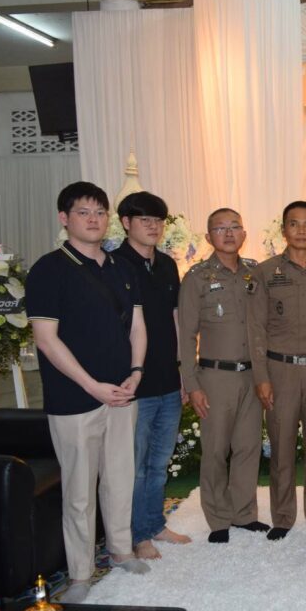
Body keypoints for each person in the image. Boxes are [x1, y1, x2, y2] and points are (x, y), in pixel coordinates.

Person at [25, 181, 150, 603]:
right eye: (83, 212)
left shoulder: (121, 267)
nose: (93, 219)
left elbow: (137, 326)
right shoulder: (49, 269)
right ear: (65, 218)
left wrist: (136, 372)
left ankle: (120, 550)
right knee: (79, 491)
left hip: (123, 392)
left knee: (119, 478)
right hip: (75, 399)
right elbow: (46, 340)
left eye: (100, 212)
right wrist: (91, 385)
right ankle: (80, 574)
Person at [247, 201, 306, 540]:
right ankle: (283, 516)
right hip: (280, 371)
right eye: (294, 224)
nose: (301, 230)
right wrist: (261, 377)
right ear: (284, 230)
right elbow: (256, 329)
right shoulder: (265, 272)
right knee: (282, 447)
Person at [178, 208, 269, 544]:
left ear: (244, 233)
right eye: (220, 228)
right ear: (208, 236)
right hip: (215, 377)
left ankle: (244, 514)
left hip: (252, 376)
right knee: (216, 450)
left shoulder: (255, 273)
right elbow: (186, 335)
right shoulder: (197, 277)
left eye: (235, 227)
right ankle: (217, 518)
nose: (229, 234)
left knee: (248, 447)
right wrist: (192, 384)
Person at [113, 191, 192, 559]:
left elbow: (176, 319)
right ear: (125, 222)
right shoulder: (114, 265)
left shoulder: (166, 265)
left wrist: (184, 370)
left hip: (168, 380)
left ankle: (154, 524)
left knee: (159, 463)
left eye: (158, 220)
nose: (153, 226)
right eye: (144, 219)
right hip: (134, 384)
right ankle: (136, 534)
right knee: (136, 466)